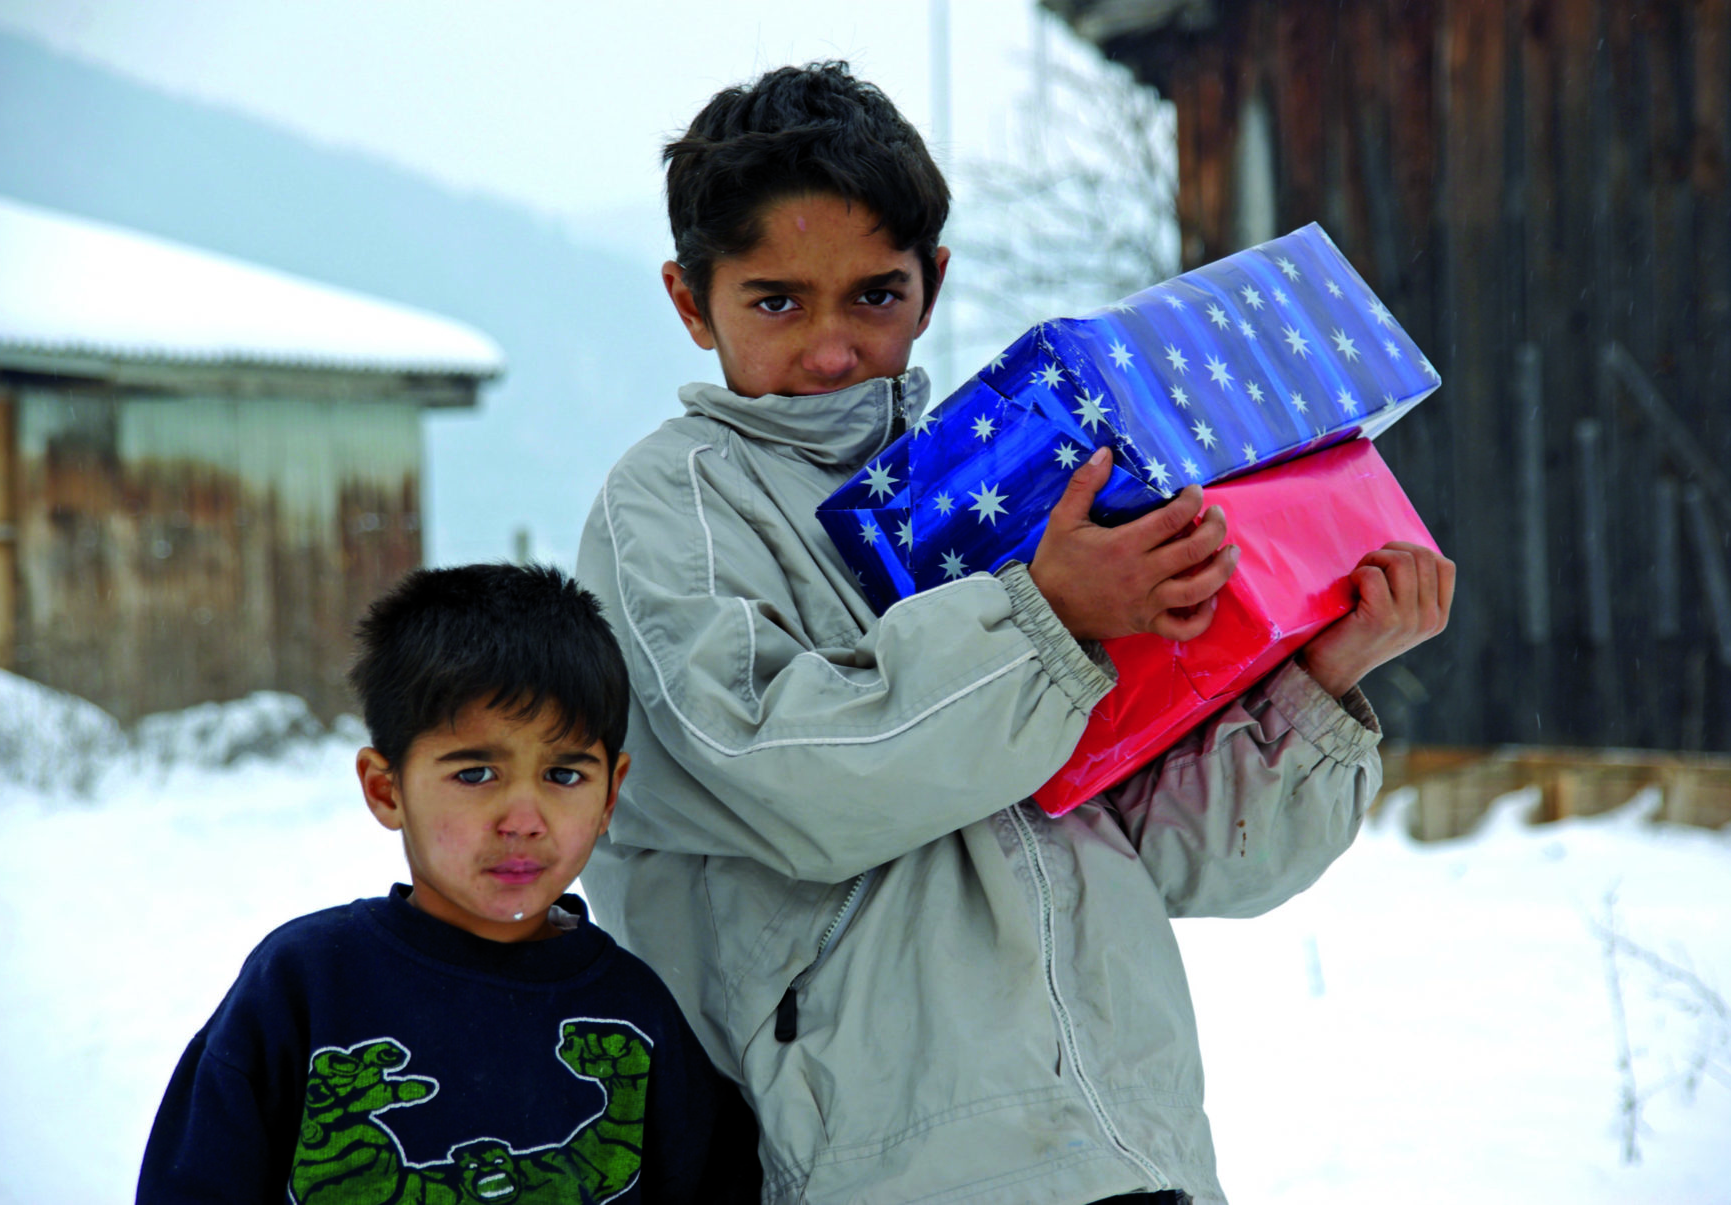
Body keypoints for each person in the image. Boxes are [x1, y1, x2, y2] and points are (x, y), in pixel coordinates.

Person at [573, 62, 1454, 1205]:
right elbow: (781, 770)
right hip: (889, 1161)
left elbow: (1175, 855)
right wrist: (1045, 618)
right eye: (778, 300)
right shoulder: (677, 504)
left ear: (931, 285)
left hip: (1129, 1139)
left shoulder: (1017, 468)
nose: (834, 346)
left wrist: (1320, 677)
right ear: (693, 302)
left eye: (875, 295)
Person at [136, 563, 761, 1205]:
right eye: (475, 774)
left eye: (565, 776)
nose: (523, 821)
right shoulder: (305, 987)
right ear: (387, 789)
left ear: (610, 796)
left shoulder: (634, 1016)